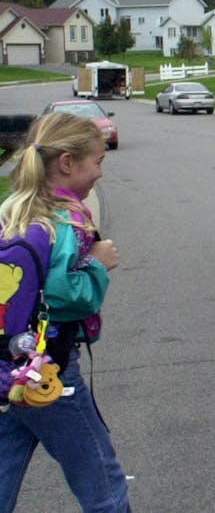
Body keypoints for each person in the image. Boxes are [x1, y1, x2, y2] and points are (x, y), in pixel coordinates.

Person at [0, 112, 127, 512]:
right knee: (103, 485)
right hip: (50, 372)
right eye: (97, 162)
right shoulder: (66, 220)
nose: (100, 174)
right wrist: (96, 264)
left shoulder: (12, 210)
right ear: (67, 163)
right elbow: (67, 294)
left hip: (9, 368)